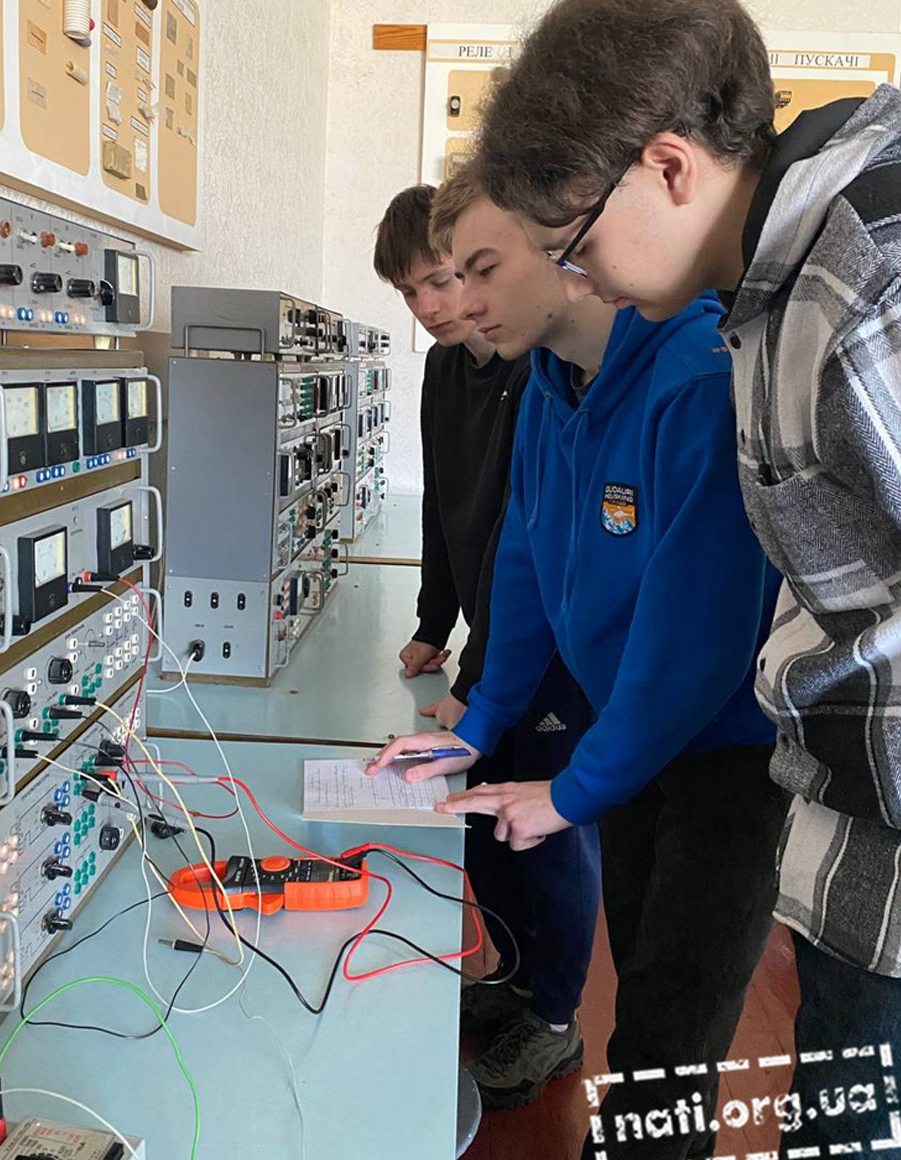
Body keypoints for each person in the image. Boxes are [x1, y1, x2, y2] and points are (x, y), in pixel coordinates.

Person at [474, 0, 901, 1151]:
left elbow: (700, 619)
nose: (579, 275)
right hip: (849, 828)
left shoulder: (859, 283)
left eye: (573, 243)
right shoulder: (761, 302)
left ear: (666, 167)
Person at [372, 160, 786, 1154]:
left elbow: (697, 640)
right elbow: (524, 562)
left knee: (668, 1031)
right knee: (637, 975)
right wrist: (477, 724)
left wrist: (573, 789)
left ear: (563, 248)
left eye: (480, 269)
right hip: (632, 734)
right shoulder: (552, 386)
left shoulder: (695, 375)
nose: (460, 301)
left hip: (726, 755)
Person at [372, 183, 599, 1108]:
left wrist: (475, 679)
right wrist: (435, 624)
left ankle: (556, 1019)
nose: (437, 306)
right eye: (415, 291)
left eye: (448, 279)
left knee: (545, 833)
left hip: (546, 653)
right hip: (487, 652)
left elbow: (523, 540)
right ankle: (511, 977)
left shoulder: (532, 367)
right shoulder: (445, 371)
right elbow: (445, 501)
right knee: (482, 823)